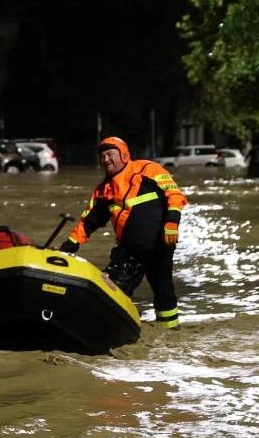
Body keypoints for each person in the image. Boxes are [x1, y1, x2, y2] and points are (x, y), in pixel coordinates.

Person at [58, 136, 187, 329]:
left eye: (110, 154)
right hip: (129, 250)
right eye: (102, 156)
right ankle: (113, 328)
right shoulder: (103, 191)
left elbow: (174, 195)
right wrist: (68, 246)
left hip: (160, 244)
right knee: (114, 287)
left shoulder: (147, 169)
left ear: (124, 155)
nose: (106, 159)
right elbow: (88, 221)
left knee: (163, 289)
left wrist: (172, 222)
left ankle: (171, 331)